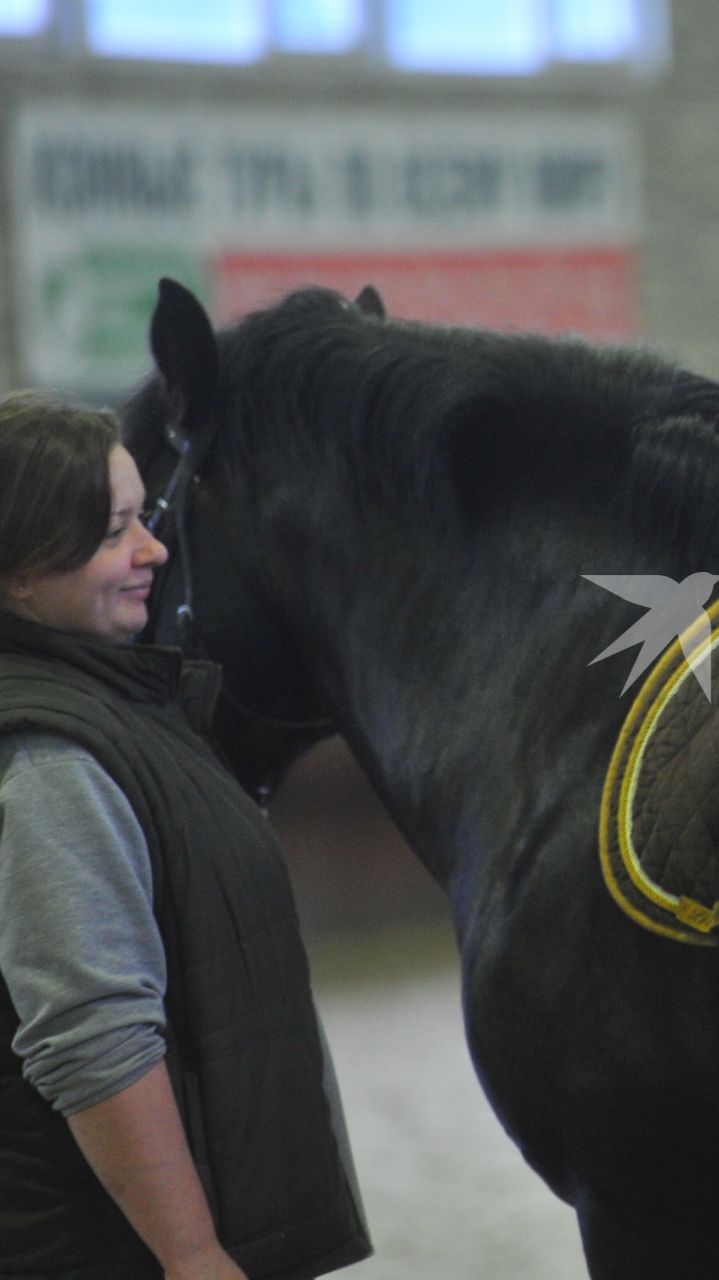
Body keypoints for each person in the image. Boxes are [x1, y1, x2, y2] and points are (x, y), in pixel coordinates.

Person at [0, 390, 370, 1279]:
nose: (152, 551)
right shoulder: (48, 757)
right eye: (114, 530)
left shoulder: (125, 706)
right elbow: (93, 1033)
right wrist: (193, 1251)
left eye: (144, 519)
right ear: (16, 570)